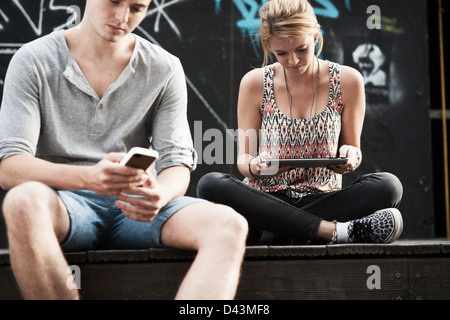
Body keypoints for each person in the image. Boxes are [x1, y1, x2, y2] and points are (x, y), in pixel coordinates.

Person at [0, 0, 248, 300]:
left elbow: (177, 164)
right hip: (65, 204)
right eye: (114, 1)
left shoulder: (164, 66)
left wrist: (160, 195)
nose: (122, 16)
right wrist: (88, 178)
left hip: (136, 206)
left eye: (136, 7)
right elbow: (9, 168)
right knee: (22, 201)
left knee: (229, 225)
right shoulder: (34, 59)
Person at [197, 0, 403, 245]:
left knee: (388, 186)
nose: (293, 61)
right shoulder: (254, 83)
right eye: (281, 53)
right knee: (210, 184)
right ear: (268, 45)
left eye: (302, 49)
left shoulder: (348, 81)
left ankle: (278, 229)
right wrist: (257, 167)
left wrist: (350, 156)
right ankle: (336, 231)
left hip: (321, 198)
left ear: (316, 36)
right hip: (267, 198)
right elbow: (244, 159)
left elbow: (353, 149)